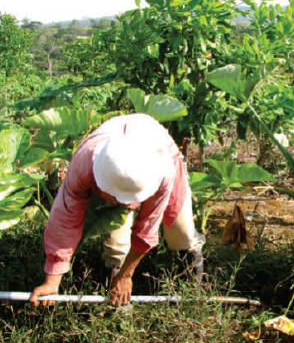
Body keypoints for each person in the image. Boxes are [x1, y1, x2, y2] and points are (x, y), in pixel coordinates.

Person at [30, 113, 205, 307]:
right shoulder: (85, 162)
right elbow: (64, 220)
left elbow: (147, 229)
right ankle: (116, 296)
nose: (122, 202)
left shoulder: (162, 171)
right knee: (116, 246)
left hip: (156, 141)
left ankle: (193, 285)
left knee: (181, 234)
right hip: (111, 157)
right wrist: (51, 282)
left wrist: (127, 276)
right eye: (116, 195)